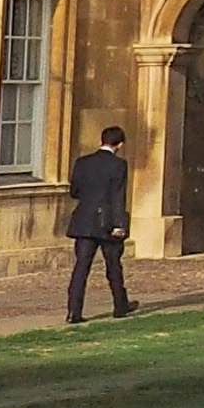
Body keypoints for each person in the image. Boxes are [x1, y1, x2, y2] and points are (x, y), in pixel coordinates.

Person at [63, 125, 136, 321]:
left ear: (101, 140)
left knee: (81, 268)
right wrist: (120, 224)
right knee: (113, 266)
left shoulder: (82, 162)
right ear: (119, 145)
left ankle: (73, 311)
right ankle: (120, 306)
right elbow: (118, 197)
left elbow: (74, 191)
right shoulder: (118, 165)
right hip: (107, 222)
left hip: (85, 221)